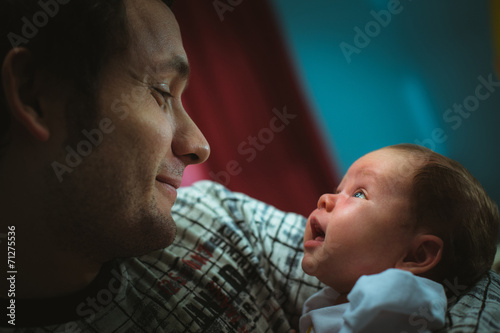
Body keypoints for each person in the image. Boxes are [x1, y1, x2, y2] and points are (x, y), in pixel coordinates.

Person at [1, 1, 499, 332]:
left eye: (360, 195)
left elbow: (473, 279)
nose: (199, 146)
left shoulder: (220, 223)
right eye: (159, 92)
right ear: (35, 96)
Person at [299, 144, 500, 333]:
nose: (325, 199)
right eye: (338, 190)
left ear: (417, 255)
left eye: (359, 194)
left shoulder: (395, 303)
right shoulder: (334, 297)